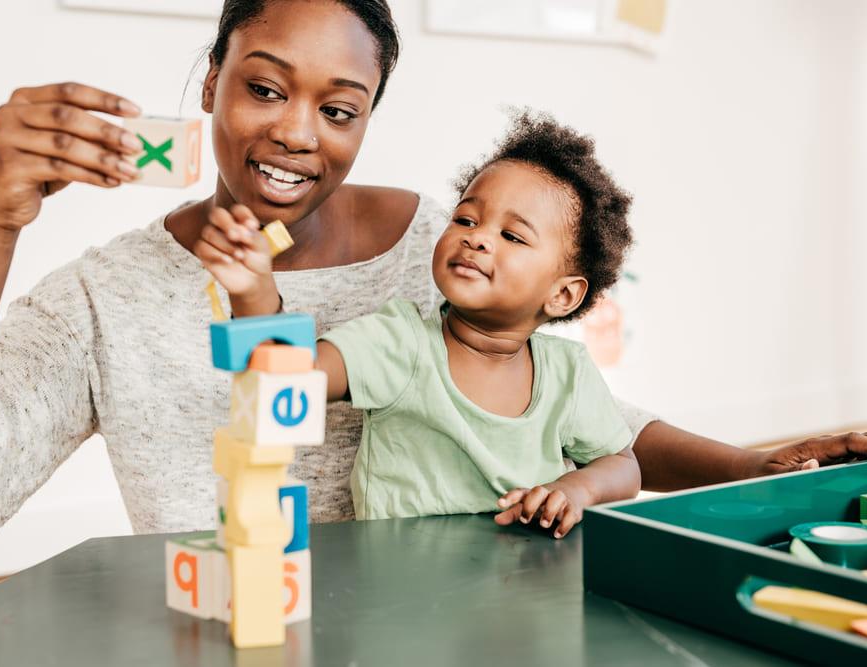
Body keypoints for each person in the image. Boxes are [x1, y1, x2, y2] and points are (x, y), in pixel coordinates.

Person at [0, 0, 867, 571]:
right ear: (210, 81)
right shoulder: (110, 293)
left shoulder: (443, 250)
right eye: (263, 86)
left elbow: (577, 412)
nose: (298, 133)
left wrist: (756, 467)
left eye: (340, 106)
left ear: (368, 117)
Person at [203, 111, 640, 537]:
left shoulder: (569, 372)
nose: (477, 237)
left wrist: (575, 489)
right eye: (465, 219)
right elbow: (289, 375)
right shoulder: (400, 341)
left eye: (512, 236)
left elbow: (623, 465)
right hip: (402, 592)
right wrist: (253, 289)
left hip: (522, 591)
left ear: (562, 295)